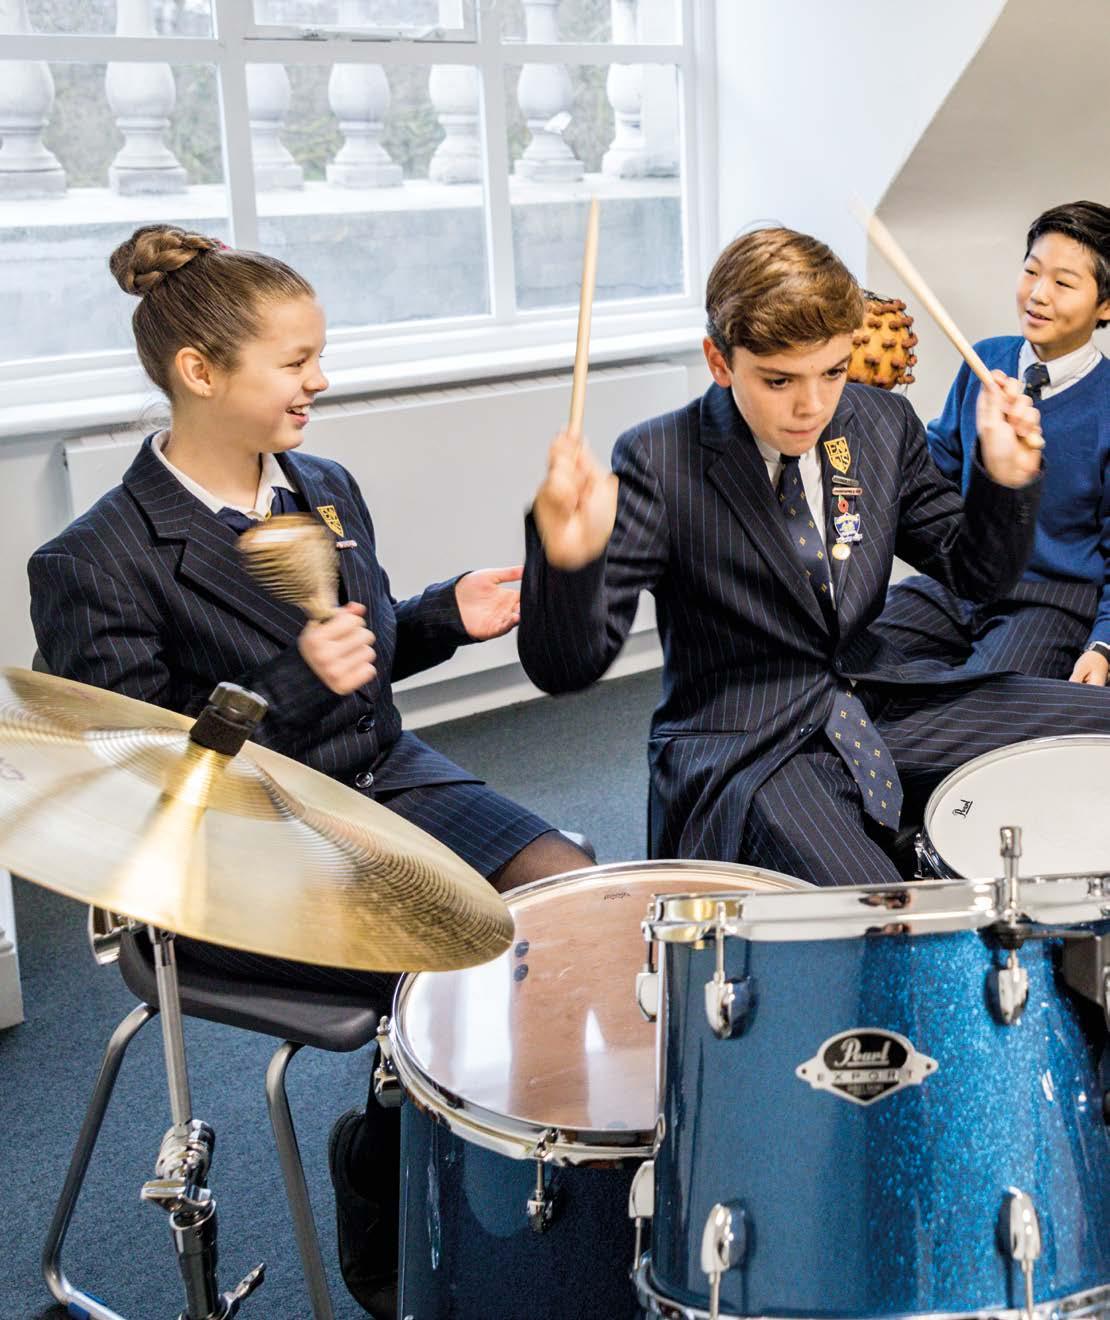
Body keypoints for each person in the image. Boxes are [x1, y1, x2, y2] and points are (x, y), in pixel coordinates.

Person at [28, 224, 590, 1319]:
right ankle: (390, 1177)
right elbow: (139, 787)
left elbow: (360, 663)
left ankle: (422, 1144)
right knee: (469, 965)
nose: (320, 381)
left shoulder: (322, 485)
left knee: (569, 901)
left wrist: (442, 616)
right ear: (200, 372)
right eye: (295, 362)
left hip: (378, 776)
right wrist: (290, 683)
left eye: (317, 356)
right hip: (237, 851)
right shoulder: (98, 559)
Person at [517, 225, 1110, 888]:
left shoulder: (879, 422)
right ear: (720, 362)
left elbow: (975, 576)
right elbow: (565, 667)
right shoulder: (660, 458)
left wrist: (1004, 482)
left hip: (876, 694)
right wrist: (568, 561)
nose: (813, 407)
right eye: (779, 380)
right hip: (753, 742)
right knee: (885, 918)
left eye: (832, 371)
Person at [877, 201, 1110, 684]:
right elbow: (933, 471)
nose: (1038, 294)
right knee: (853, 655)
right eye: (1031, 271)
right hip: (960, 582)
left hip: (1047, 601)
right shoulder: (984, 359)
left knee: (980, 699)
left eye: (1064, 283)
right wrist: (871, 411)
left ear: (1105, 306)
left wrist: (1103, 644)